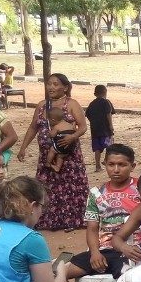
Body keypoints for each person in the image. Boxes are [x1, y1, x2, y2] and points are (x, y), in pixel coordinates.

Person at [16, 73, 89, 231]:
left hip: (68, 156)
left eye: (56, 84)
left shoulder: (72, 104)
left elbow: (83, 127)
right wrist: (23, 147)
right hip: (46, 156)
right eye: (49, 84)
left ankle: (73, 220)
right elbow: (33, 127)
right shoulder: (42, 105)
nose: (51, 87)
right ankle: (49, 221)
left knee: (72, 186)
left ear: (65, 87)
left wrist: (72, 137)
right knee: (46, 187)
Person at [65, 144, 141, 281]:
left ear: (133, 166)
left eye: (122, 165)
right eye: (111, 164)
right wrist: (94, 253)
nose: (116, 170)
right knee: (57, 273)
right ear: (104, 164)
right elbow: (92, 228)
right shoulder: (96, 194)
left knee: (130, 281)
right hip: (104, 252)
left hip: (134, 250)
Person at [85, 84, 115, 173]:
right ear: (105, 92)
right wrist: (111, 125)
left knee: (97, 148)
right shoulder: (106, 102)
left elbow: (88, 115)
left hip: (95, 130)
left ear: (95, 94)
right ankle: (106, 161)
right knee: (109, 146)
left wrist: (94, 122)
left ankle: (97, 166)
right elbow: (108, 113)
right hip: (105, 129)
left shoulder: (92, 104)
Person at [45, 107, 77, 173]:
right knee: (60, 156)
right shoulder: (69, 125)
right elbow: (74, 131)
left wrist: (49, 133)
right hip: (71, 146)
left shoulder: (57, 126)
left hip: (61, 144)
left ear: (53, 120)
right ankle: (57, 167)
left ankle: (48, 163)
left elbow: (52, 135)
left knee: (52, 150)